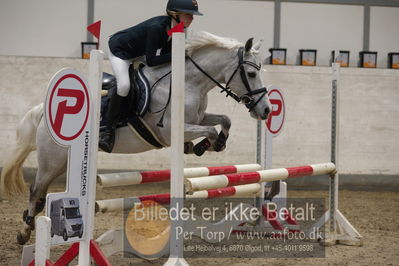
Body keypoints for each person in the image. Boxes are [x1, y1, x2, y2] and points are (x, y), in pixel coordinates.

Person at [99, 0, 203, 153]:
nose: (192, 18)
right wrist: (178, 55)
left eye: (192, 15)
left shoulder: (176, 28)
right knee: (124, 86)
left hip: (138, 53)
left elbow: (167, 56)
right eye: (188, 14)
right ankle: (108, 131)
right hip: (121, 52)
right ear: (175, 14)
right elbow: (152, 61)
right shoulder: (157, 27)